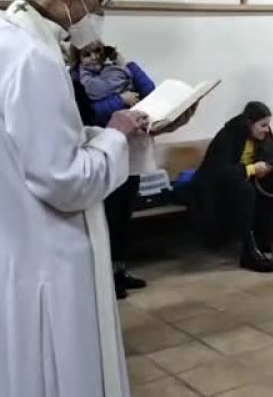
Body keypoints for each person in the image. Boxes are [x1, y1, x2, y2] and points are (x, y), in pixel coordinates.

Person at [0, 0, 143, 397]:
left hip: (14, 256)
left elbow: (36, 148)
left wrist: (107, 134)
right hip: (50, 264)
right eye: (99, 1)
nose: (95, 15)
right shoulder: (32, 59)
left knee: (19, 375)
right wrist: (117, 135)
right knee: (56, 376)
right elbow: (66, 181)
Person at [69, 41, 195, 298]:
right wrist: (120, 99)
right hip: (100, 156)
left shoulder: (118, 73)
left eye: (98, 53)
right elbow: (88, 114)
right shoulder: (75, 80)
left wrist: (129, 65)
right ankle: (105, 277)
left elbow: (151, 93)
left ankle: (119, 270)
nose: (93, 58)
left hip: (130, 156)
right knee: (108, 218)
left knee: (123, 217)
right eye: (86, 54)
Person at [195, 102, 273, 272]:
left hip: (244, 177)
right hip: (218, 184)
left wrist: (267, 166)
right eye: (262, 125)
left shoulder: (264, 135)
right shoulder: (228, 135)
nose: (266, 130)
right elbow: (220, 170)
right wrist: (251, 169)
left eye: (268, 125)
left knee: (272, 181)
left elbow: (271, 157)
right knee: (245, 191)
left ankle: (264, 240)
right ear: (249, 123)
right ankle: (248, 252)